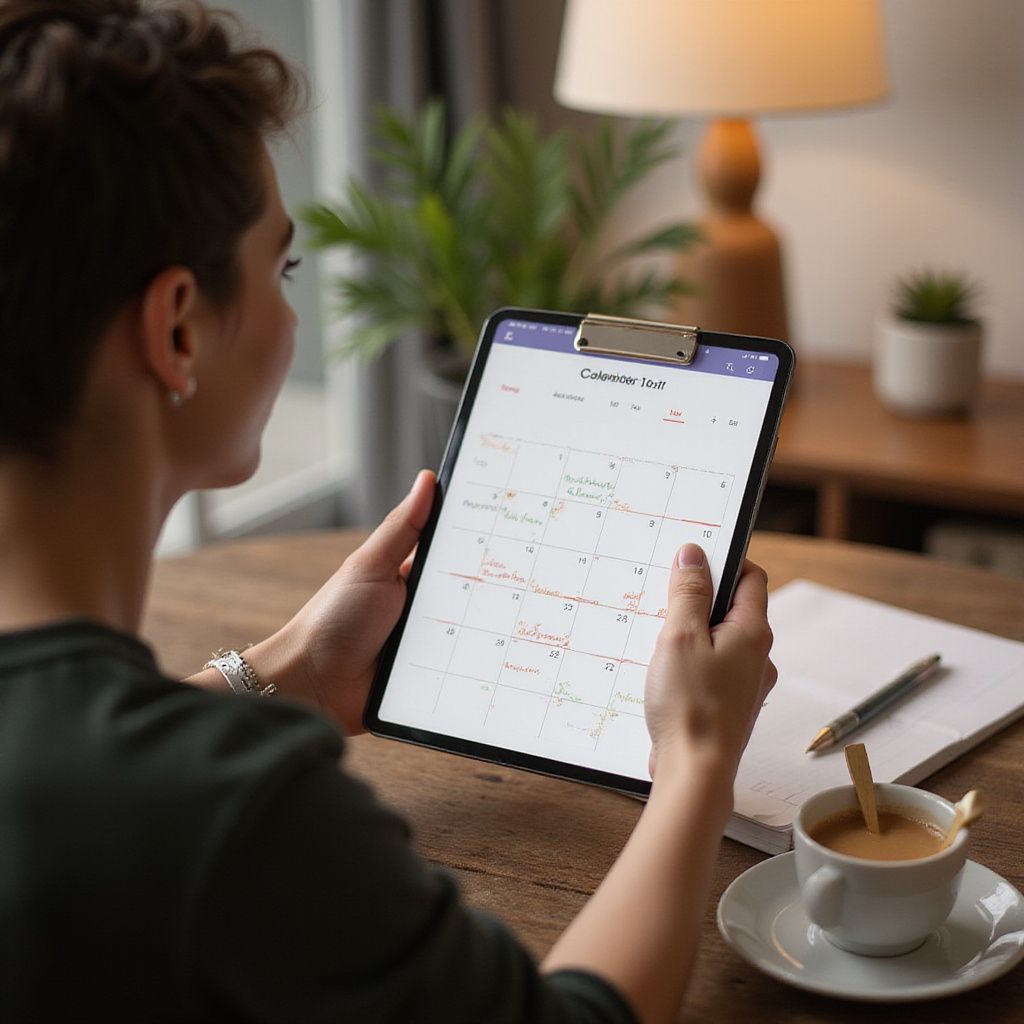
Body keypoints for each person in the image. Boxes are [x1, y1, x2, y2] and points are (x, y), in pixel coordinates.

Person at [0, 2, 777, 1022]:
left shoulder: (125, 783)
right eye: (284, 268)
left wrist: (291, 668)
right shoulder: (239, 815)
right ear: (178, 328)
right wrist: (697, 757)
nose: (291, 317)